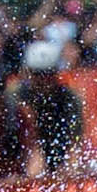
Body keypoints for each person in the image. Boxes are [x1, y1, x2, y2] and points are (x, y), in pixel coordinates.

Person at [18, 40, 83, 173]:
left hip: (60, 154)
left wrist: (71, 171)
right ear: (28, 74)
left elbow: (75, 142)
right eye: (37, 75)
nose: (43, 81)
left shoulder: (69, 99)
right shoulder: (17, 98)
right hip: (23, 157)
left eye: (47, 75)